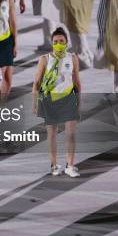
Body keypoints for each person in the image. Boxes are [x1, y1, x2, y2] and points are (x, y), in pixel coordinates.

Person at [33, 27, 81, 177]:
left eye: (61, 41)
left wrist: (78, 102)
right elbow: (36, 83)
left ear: (67, 43)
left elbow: (77, 82)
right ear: (52, 43)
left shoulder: (72, 58)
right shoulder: (45, 59)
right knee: (52, 134)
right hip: (50, 100)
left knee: (70, 135)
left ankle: (70, 165)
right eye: (55, 42)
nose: (58, 44)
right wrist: (35, 103)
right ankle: (54, 165)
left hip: (68, 99)